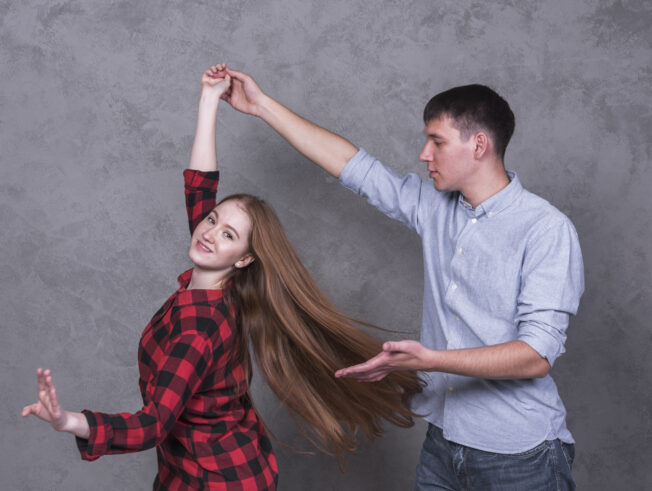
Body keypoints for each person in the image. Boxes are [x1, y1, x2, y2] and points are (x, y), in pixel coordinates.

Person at [22, 64, 424, 490]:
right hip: (189, 470)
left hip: (218, 480)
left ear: (246, 259)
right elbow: (200, 189)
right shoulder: (219, 278)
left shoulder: (201, 326)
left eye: (227, 234)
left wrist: (69, 420)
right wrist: (210, 100)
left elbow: (152, 424)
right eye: (211, 221)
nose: (209, 233)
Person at [220, 67, 584, 490]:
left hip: (521, 454)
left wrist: (429, 360)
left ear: (479, 145)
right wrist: (262, 106)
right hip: (443, 444)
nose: (424, 154)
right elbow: (352, 166)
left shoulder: (546, 229)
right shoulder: (434, 206)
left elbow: (536, 355)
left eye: (437, 141)